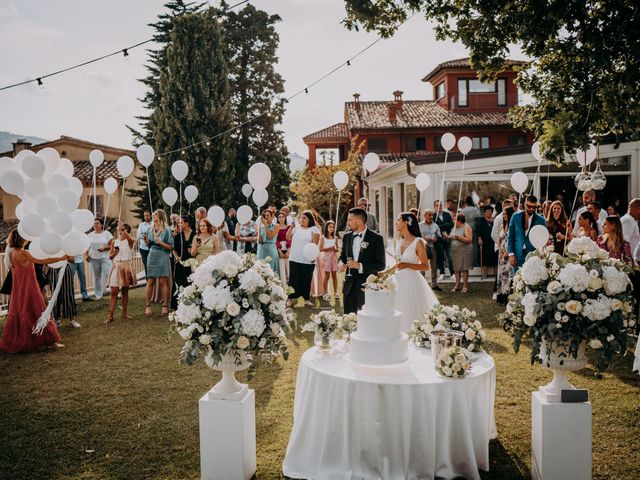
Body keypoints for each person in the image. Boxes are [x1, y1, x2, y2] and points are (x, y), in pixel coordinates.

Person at [0, 229, 72, 353]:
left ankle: (23, 340)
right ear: (22, 239)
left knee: (22, 312)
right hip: (29, 286)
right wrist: (62, 257)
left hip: (18, 288)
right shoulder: (24, 253)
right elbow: (43, 261)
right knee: (39, 311)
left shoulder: (11, 253)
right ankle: (51, 342)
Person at [387, 212, 439, 331]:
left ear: (406, 222)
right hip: (397, 280)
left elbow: (425, 266)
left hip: (412, 281)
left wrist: (407, 265)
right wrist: (385, 273)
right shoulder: (399, 240)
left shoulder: (418, 242)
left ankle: (413, 332)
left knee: (409, 308)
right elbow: (398, 263)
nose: (396, 223)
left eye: (398, 220)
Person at [338, 208, 385, 314]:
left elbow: (381, 265)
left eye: (350, 220)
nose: (347, 223)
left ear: (358, 221)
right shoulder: (347, 237)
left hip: (367, 286)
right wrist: (341, 263)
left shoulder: (376, 239)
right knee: (348, 319)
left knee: (369, 318)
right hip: (349, 286)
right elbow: (342, 256)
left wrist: (360, 266)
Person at [287, 211, 321, 308]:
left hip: (307, 260)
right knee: (293, 280)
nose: (302, 219)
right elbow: (288, 237)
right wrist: (291, 227)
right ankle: (289, 299)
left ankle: (306, 300)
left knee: (306, 279)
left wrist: (312, 257)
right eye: (301, 217)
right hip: (294, 258)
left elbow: (315, 245)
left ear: (310, 219)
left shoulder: (314, 229)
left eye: (304, 218)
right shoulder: (296, 228)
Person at [144, 209, 174, 316]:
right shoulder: (150, 229)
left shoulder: (167, 230)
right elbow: (148, 244)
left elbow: (171, 246)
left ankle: (165, 306)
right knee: (150, 281)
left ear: (161, 217)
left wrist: (161, 242)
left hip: (162, 256)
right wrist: (147, 241)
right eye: (153, 215)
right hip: (152, 256)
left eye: (155, 215)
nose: (153, 217)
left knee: (162, 282)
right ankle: (148, 306)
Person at [106, 223, 136, 323]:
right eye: (120, 229)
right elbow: (110, 257)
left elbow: (131, 241)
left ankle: (125, 313)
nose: (121, 231)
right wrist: (114, 253)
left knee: (125, 291)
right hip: (116, 266)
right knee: (113, 291)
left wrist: (126, 233)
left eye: (123, 230)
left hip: (126, 266)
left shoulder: (129, 241)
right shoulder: (115, 242)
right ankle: (110, 315)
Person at [507, 195, 547, 270]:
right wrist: (511, 254)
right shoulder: (515, 217)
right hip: (517, 254)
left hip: (533, 255)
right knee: (517, 279)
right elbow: (510, 236)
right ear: (525, 204)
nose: (531, 209)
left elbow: (543, 239)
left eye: (534, 207)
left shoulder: (541, 220)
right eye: (529, 206)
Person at [445, 214, 474, 292]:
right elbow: (452, 236)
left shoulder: (466, 227)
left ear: (459, 221)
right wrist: (447, 237)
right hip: (456, 251)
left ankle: (465, 286)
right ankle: (457, 286)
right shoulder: (455, 227)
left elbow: (469, 239)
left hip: (465, 250)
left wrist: (459, 237)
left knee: (464, 269)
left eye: (455, 220)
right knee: (456, 269)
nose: (453, 221)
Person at [86, 218, 113, 301]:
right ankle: (98, 295)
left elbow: (112, 245)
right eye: (94, 224)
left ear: (101, 225)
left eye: (97, 223)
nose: (95, 225)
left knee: (109, 273)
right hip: (93, 257)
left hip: (105, 257)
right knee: (97, 277)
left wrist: (104, 248)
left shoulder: (107, 234)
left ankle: (115, 291)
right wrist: (86, 255)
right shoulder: (90, 235)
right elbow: (86, 246)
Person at [172, 214, 195, 309]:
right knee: (179, 282)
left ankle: (191, 304)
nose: (179, 225)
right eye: (178, 223)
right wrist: (177, 256)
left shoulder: (195, 234)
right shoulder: (178, 236)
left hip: (191, 263)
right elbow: (173, 249)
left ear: (187, 223)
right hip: (180, 263)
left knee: (190, 283)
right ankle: (179, 305)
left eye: (181, 223)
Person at [47, 262, 79, 329]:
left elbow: (72, 258)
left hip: (65, 268)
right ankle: (56, 320)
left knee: (68, 294)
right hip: (53, 269)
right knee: (55, 295)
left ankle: (72, 321)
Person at [496, 207, 515, 305]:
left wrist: (507, 252)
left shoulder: (512, 226)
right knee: (501, 276)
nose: (504, 216)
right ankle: (501, 297)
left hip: (509, 253)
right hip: (502, 253)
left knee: (507, 276)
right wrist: (500, 251)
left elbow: (511, 240)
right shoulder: (502, 226)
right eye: (503, 214)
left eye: (506, 214)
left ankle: (507, 297)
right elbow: (499, 240)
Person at [419, 209, 442, 291]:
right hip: (422, 247)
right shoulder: (420, 225)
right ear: (425, 215)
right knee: (422, 266)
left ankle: (434, 284)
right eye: (429, 215)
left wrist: (436, 239)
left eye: (432, 215)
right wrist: (425, 238)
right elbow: (417, 237)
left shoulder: (435, 226)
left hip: (432, 247)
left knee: (434, 266)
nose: (431, 216)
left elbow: (439, 236)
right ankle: (421, 285)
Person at [433, 200, 454, 280]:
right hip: (438, 239)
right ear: (435, 207)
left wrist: (440, 226)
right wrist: (445, 225)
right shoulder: (433, 216)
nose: (439, 207)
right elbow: (435, 227)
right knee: (440, 257)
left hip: (448, 238)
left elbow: (451, 225)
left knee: (450, 257)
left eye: (440, 205)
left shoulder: (447, 214)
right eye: (437, 205)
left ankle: (452, 273)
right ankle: (442, 273)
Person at [319, 220, 339, 300]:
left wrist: (335, 248)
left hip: (333, 257)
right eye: (330, 227)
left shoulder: (335, 238)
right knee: (327, 276)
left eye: (333, 227)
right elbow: (320, 249)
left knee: (334, 275)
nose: (332, 228)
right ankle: (325, 292)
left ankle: (335, 292)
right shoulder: (323, 238)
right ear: (326, 227)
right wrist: (329, 248)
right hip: (327, 257)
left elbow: (337, 249)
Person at [477, 206, 498, 279]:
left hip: (494, 241)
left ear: (492, 212)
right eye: (487, 212)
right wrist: (479, 239)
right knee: (485, 258)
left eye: (490, 212)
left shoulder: (495, 220)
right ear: (484, 213)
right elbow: (478, 231)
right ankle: (484, 274)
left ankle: (496, 274)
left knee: (495, 257)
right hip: (484, 242)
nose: (488, 213)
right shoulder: (481, 220)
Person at [257, 209, 280, 274]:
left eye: (268, 215)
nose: (266, 217)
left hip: (271, 249)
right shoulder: (261, 227)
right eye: (265, 216)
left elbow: (270, 236)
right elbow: (260, 241)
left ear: (272, 217)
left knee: (271, 269)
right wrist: (258, 229)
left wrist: (266, 225)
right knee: (261, 269)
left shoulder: (276, 226)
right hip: (262, 249)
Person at [276, 211, 292, 285]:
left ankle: (292, 287)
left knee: (289, 268)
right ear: (277, 218)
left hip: (288, 248)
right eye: (279, 217)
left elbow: (289, 239)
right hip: (279, 249)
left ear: (285, 218)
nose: (281, 218)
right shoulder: (276, 227)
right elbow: (276, 240)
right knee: (282, 269)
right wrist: (279, 251)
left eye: (283, 216)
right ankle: (284, 287)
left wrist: (289, 250)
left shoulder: (288, 227)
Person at [136, 210, 153, 278]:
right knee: (146, 265)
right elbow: (138, 235)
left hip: (152, 248)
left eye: (147, 215)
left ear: (150, 215)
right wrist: (146, 236)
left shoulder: (153, 224)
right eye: (144, 216)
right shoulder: (141, 225)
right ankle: (148, 280)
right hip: (143, 248)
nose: (146, 217)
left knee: (152, 265)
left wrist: (145, 234)